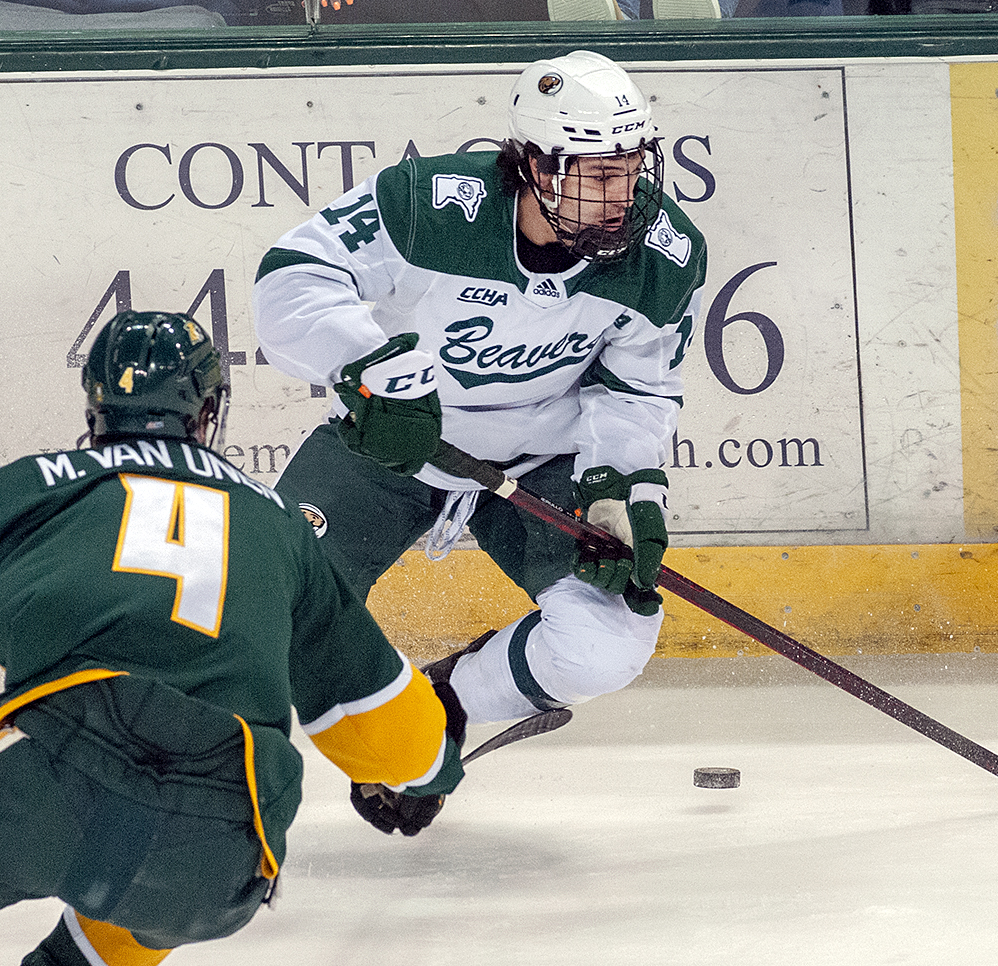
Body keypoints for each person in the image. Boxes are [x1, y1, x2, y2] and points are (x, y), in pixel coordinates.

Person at [0, 310, 464, 966]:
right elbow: (396, 740)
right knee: (120, 928)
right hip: (223, 841)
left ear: (96, 406)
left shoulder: (39, 485)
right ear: (209, 413)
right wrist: (430, 776)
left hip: (55, 780)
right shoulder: (280, 527)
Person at [253, 50, 708, 730]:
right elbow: (291, 277)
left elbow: (640, 390)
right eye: (604, 174)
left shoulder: (662, 255)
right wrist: (375, 371)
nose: (626, 197)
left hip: (540, 462)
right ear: (536, 165)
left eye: (636, 168)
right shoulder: (428, 207)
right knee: (271, 615)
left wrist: (618, 488)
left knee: (606, 644)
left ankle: (442, 710)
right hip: (390, 446)